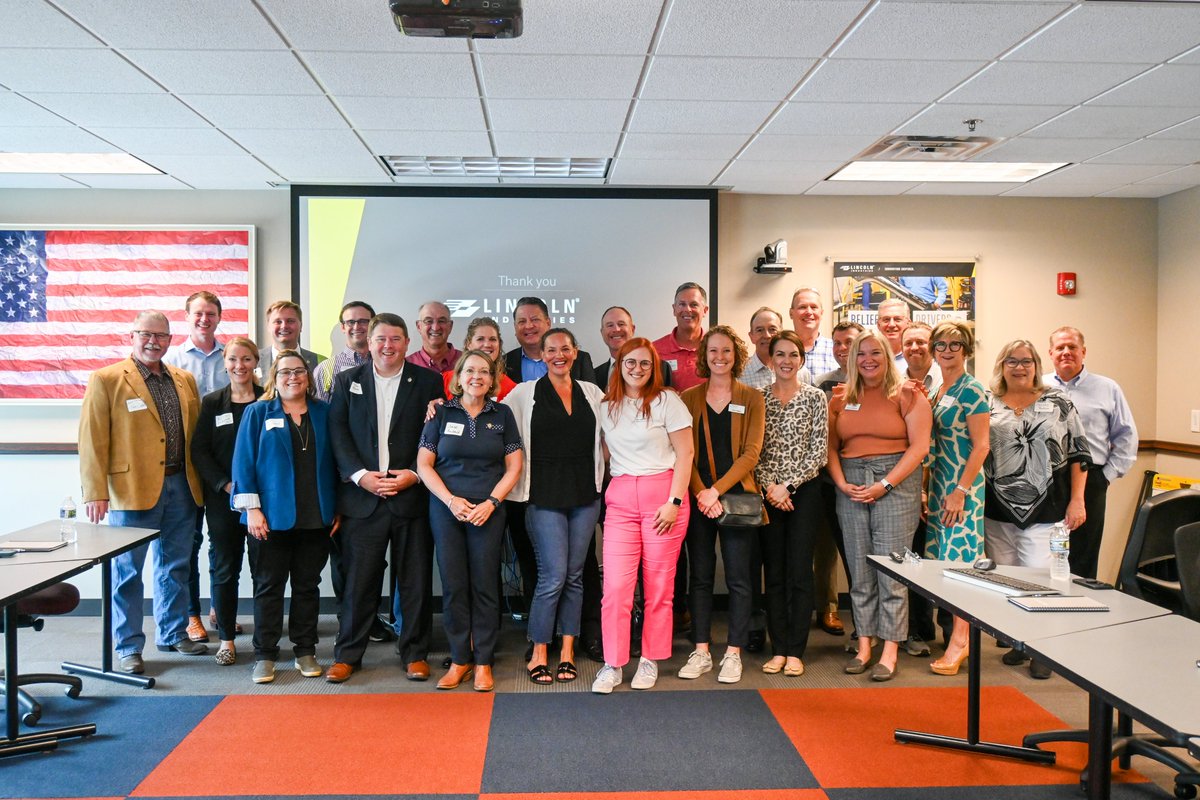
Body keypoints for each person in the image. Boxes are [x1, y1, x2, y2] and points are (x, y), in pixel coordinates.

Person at [79, 310, 208, 674]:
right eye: (146, 334)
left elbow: (194, 437)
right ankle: (128, 646)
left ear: (170, 340)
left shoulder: (184, 380)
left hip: (183, 485)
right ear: (132, 336)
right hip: (130, 490)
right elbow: (91, 439)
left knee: (176, 565)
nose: (154, 341)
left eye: (161, 336)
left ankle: (172, 631)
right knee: (128, 573)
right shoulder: (106, 379)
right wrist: (95, 492)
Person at [325, 314, 445, 684]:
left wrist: (412, 473)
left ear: (407, 343)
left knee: (414, 582)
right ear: (369, 341)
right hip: (363, 498)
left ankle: (414, 653)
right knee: (359, 582)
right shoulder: (347, 381)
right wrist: (361, 477)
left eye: (395, 339)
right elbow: (338, 434)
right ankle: (347, 655)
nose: (387, 346)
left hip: (410, 496)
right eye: (381, 339)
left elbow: (435, 434)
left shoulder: (428, 381)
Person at [828, 329, 932, 682]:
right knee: (860, 571)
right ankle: (864, 646)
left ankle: (890, 649)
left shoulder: (908, 394)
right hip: (852, 484)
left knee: (892, 571)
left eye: (876, 352)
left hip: (896, 483)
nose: (868, 359)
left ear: (888, 356)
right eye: (861, 353)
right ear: (852, 359)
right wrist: (842, 483)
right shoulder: (841, 397)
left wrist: (885, 484)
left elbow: (919, 448)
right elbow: (829, 447)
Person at [592, 338, 693, 694]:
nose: (637, 369)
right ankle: (613, 662)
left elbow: (686, 454)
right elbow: (604, 452)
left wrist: (675, 501)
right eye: (630, 362)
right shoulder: (606, 406)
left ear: (654, 367)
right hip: (620, 498)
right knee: (616, 588)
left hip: (663, 500)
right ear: (619, 365)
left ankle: (650, 658)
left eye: (645, 364)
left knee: (658, 588)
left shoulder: (669, 402)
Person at [418, 351, 523, 692]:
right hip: (447, 510)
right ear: (457, 377)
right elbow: (424, 465)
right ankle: (461, 659)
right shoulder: (440, 412)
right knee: (453, 586)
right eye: (470, 371)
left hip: (488, 512)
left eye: (484, 371)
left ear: (492, 379)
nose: (477, 376)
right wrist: (450, 501)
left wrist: (492, 502)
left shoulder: (502, 414)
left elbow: (515, 467)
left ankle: (483, 662)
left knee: (484, 585)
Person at [985, 340, 1091, 679]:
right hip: (996, 506)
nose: (1019, 367)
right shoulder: (987, 403)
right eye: (1012, 360)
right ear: (1001, 365)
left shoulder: (1058, 402)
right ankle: (1022, 642)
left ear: (1036, 365)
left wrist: (1078, 500)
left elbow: (1079, 454)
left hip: (1048, 507)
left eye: (1026, 361)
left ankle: (1045, 649)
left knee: (1043, 577)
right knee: (1008, 579)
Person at [504, 328, 604, 685]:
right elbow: (492, 420)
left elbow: (615, 431)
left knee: (575, 577)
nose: (558, 354)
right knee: (552, 577)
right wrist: (442, 404)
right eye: (551, 349)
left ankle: (566, 651)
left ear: (575, 352)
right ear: (541, 354)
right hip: (543, 497)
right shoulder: (523, 393)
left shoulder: (592, 392)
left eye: (565, 348)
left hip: (585, 497)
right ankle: (540, 650)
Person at [231, 351, 338, 684]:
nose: (294, 377)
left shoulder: (325, 413)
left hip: (316, 517)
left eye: (299, 371)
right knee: (268, 587)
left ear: (308, 376)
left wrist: (338, 508)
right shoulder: (258, 413)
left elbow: (339, 463)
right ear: (274, 379)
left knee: (308, 587)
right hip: (269, 519)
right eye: (285, 372)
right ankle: (265, 655)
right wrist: (252, 509)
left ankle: (305, 650)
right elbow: (243, 463)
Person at [676, 325, 764, 685]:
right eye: (713, 351)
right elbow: (685, 452)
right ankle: (701, 650)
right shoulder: (689, 397)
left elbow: (751, 454)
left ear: (736, 355)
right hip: (699, 501)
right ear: (703, 355)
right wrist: (701, 492)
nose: (719, 357)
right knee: (699, 578)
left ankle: (733, 652)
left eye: (726, 351)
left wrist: (717, 492)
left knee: (740, 579)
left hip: (738, 498)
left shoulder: (752, 397)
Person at [754, 330, 828, 677]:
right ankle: (778, 648)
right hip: (767, 495)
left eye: (792, 355)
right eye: (779, 354)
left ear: (801, 359)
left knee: (800, 572)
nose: (786, 361)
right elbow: (753, 450)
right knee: (775, 574)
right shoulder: (758, 399)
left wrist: (788, 486)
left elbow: (818, 451)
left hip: (805, 493)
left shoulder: (815, 398)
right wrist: (771, 487)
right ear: (770, 359)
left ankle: (796, 650)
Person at [190, 337, 264, 665]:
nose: (239, 365)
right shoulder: (212, 403)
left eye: (246, 359)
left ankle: (266, 640)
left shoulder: (269, 401)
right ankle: (228, 641)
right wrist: (225, 485)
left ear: (256, 362)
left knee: (265, 570)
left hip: (264, 502)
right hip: (224, 500)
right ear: (225, 361)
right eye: (233, 359)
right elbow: (200, 451)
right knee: (225, 568)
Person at [1045, 326, 1138, 579]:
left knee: (1083, 555)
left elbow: (1127, 436)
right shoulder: (1038, 387)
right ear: (1051, 353)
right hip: (1046, 480)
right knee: (1044, 552)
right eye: (1060, 347)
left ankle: (1081, 613)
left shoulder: (1107, 388)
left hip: (1091, 479)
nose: (1066, 352)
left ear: (1083, 352)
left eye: (1072, 347)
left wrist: (1105, 477)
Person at [164, 290, 230, 644]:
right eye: (198, 313)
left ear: (219, 317)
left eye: (211, 313)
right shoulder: (172, 360)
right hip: (187, 468)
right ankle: (191, 614)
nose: (204, 319)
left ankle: (220, 609)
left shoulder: (231, 357)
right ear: (187, 317)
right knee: (186, 544)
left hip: (222, 468)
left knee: (221, 544)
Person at [924, 322, 989, 676]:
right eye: (941, 344)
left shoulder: (973, 389)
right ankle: (958, 637)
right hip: (940, 486)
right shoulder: (939, 388)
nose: (947, 350)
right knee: (943, 564)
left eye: (955, 344)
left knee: (960, 565)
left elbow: (982, 446)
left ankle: (961, 641)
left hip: (962, 489)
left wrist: (960, 492)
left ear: (966, 349)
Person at [813, 320, 864, 637]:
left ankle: (865, 622)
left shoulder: (877, 381)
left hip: (864, 481)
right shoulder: (823, 384)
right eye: (837, 343)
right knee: (825, 548)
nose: (842, 348)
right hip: (827, 480)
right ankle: (827, 609)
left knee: (857, 553)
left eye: (849, 342)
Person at [899, 320, 942, 657]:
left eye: (921, 342)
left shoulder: (948, 381)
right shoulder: (896, 383)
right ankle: (917, 627)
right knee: (913, 554)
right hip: (912, 485)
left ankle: (940, 629)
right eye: (908, 343)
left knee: (938, 558)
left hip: (946, 483)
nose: (915, 348)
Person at [504, 296, 595, 384]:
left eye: (535, 319)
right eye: (522, 321)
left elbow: (591, 397)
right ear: (515, 327)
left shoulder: (580, 359)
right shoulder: (504, 363)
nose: (529, 326)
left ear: (548, 323)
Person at [595, 305, 673, 389]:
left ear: (632, 329)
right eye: (610, 325)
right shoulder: (594, 375)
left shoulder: (661, 368)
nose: (616, 329)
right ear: (602, 332)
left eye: (621, 324)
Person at [313, 300, 375, 402]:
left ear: (373, 325)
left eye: (363, 321)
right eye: (350, 322)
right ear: (343, 327)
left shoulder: (384, 364)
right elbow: (318, 412)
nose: (356, 327)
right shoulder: (325, 369)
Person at [443, 317, 517, 401]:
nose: (487, 344)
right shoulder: (445, 380)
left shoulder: (511, 388)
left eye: (492, 339)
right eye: (480, 339)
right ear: (468, 344)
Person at [652, 282, 708, 391]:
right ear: (674, 309)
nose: (687, 309)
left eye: (694, 304)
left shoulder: (715, 348)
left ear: (705, 311)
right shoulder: (653, 350)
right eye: (682, 304)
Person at [260, 300, 326, 375]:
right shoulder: (254, 361)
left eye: (290, 321)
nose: (284, 326)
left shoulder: (321, 363)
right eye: (278, 322)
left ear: (301, 326)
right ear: (268, 327)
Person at [789, 288, 839, 378]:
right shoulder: (779, 350)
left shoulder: (836, 349)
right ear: (791, 313)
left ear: (821, 313)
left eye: (814, 307)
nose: (809, 312)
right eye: (802, 307)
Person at [407, 301, 462, 373]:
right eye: (428, 321)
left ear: (450, 326)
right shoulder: (406, 365)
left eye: (441, 321)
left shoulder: (467, 361)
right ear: (419, 326)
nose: (435, 327)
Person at [742, 306, 784, 389]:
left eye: (772, 329)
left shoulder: (799, 371)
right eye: (760, 330)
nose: (767, 335)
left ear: (781, 334)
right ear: (751, 337)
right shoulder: (739, 373)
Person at [874, 298, 910, 372]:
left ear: (908, 323)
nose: (891, 324)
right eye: (886, 319)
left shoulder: (918, 357)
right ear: (878, 325)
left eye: (897, 319)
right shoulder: (868, 359)